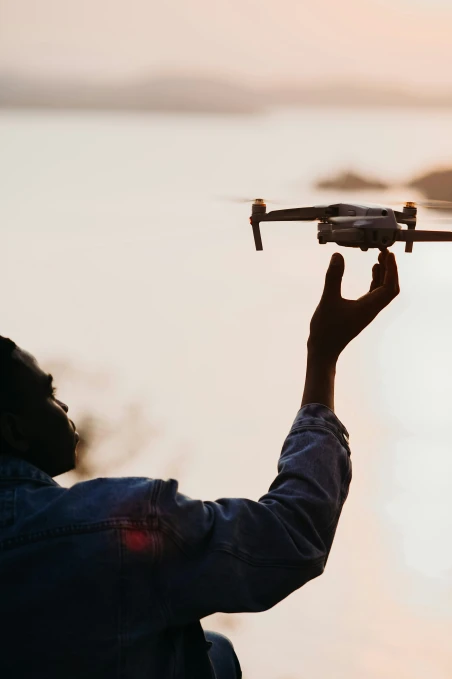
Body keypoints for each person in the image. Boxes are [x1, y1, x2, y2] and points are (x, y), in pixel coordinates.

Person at [0, 249, 399, 679]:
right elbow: (292, 535)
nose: (62, 404)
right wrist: (323, 357)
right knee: (217, 657)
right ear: (14, 431)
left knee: (218, 649)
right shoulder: (114, 526)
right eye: (48, 394)